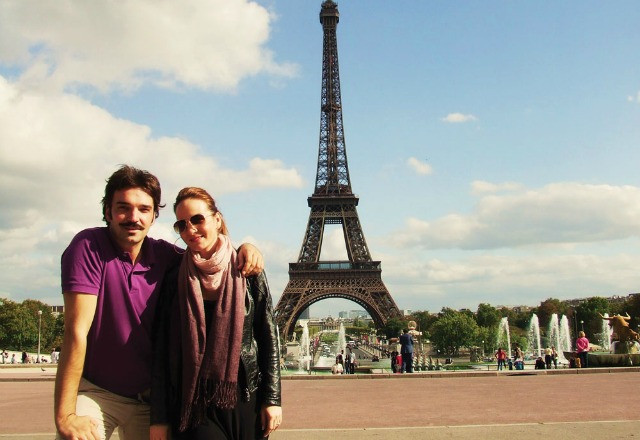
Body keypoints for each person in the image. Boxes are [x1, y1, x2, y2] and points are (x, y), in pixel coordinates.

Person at [54, 166, 263, 440]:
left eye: (144, 209)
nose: (134, 217)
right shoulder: (88, 246)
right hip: (99, 392)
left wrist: (245, 249)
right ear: (107, 211)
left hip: (152, 400)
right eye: (123, 208)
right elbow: (76, 332)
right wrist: (66, 416)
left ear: (154, 216)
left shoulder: (168, 257)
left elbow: (208, 254)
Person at [150, 187, 281, 440]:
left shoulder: (247, 268)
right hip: (195, 403)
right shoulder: (175, 277)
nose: (190, 230)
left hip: (246, 398)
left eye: (197, 219)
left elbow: (268, 337)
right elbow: (162, 351)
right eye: (181, 225)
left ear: (217, 219)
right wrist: (160, 418)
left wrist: (273, 399)